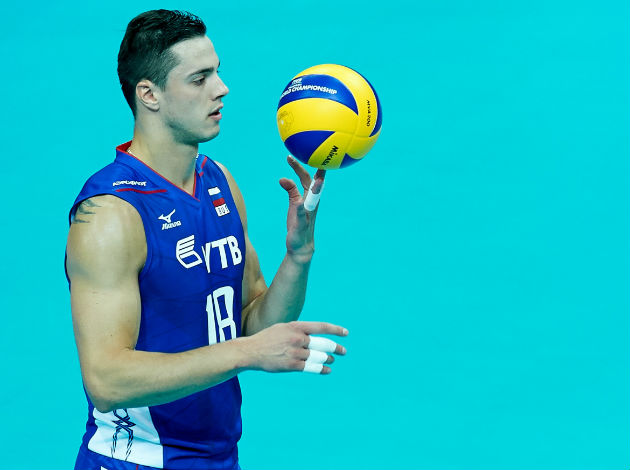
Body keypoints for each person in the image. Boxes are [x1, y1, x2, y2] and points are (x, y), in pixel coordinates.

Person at [65, 9, 348, 470]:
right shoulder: (111, 215)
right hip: (136, 461)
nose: (222, 88)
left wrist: (298, 255)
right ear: (149, 95)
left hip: (217, 458)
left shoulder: (218, 181)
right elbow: (106, 380)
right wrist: (245, 354)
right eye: (199, 79)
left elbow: (255, 323)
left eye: (216, 72)